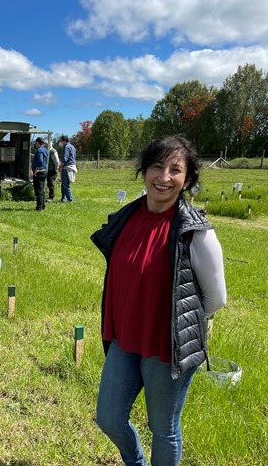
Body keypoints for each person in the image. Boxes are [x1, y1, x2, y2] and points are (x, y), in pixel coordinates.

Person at [91, 135, 227, 466]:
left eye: (175, 170)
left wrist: (171, 319)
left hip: (167, 348)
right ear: (144, 172)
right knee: (108, 418)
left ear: (188, 180)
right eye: (156, 166)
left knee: (163, 429)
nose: (163, 177)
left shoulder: (195, 232)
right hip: (124, 340)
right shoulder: (128, 218)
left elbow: (215, 298)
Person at [31, 137, 49, 211]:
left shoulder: (39, 150)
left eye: (35, 142)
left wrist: (36, 170)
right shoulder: (45, 149)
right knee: (42, 190)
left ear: (37, 142)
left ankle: (39, 207)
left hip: (39, 172)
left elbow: (40, 162)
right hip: (44, 171)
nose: (35, 144)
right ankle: (43, 205)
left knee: (38, 190)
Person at [57, 135, 77, 202]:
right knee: (64, 184)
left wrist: (60, 167)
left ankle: (70, 199)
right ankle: (63, 198)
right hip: (71, 166)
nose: (61, 143)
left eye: (61, 141)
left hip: (67, 167)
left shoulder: (66, 147)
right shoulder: (72, 147)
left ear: (64, 141)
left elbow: (64, 159)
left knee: (65, 185)